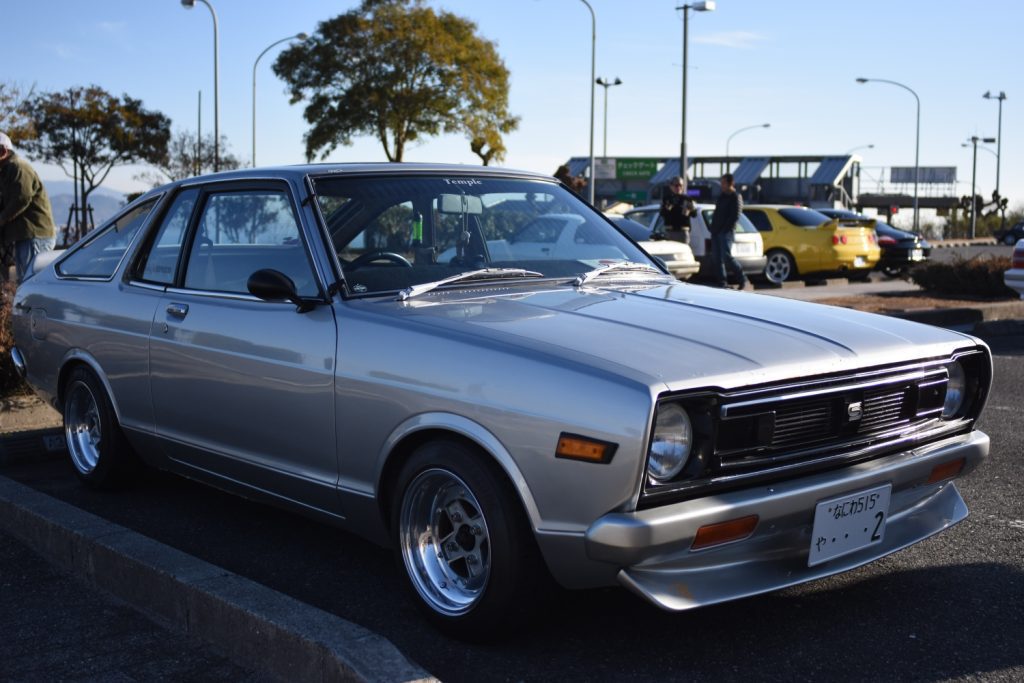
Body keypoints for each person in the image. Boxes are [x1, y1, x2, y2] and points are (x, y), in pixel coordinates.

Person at [0, 132, 56, 283]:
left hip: (34, 236)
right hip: (26, 236)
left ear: (3, 151)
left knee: (32, 284)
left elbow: (21, 198)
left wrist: (2, 219)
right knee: (26, 283)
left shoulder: (18, 167)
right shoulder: (6, 171)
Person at [708, 173, 752, 291]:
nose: (721, 185)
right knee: (717, 258)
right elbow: (717, 213)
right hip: (716, 231)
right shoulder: (722, 196)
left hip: (726, 232)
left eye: (723, 183)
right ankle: (722, 282)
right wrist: (712, 227)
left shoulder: (735, 196)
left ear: (730, 183)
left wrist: (725, 229)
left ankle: (743, 279)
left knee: (726, 257)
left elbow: (735, 215)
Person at [659, 176, 695, 244]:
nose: (678, 187)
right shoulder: (667, 199)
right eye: (676, 185)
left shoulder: (687, 199)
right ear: (671, 186)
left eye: (680, 185)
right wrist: (668, 208)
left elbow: (694, 214)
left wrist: (689, 210)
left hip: (683, 231)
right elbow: (662, 213)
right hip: (670, 231)